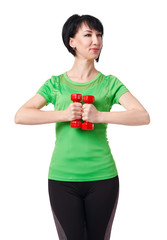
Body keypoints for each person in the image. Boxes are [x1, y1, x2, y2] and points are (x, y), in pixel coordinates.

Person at [14, 14, 150, 240]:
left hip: (103, 178)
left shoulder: (109, 83)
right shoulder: (55, 84)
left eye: (99, 35)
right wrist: (65, 113)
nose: (96, 41)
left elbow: (142, 116)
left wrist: (100, 116)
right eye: (88, 35)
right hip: (62, 179)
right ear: (72, 41)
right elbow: (21, 115)